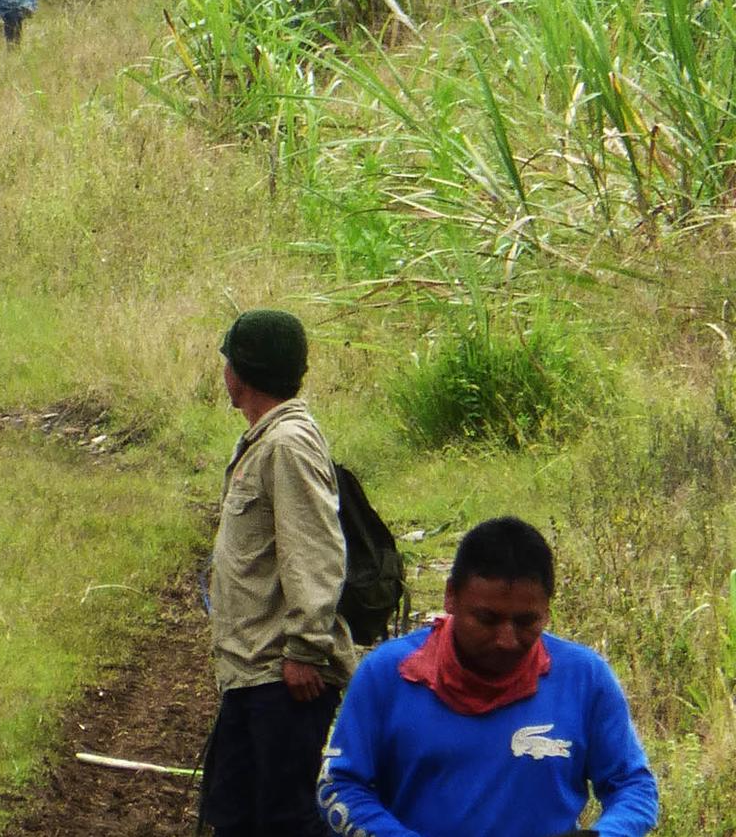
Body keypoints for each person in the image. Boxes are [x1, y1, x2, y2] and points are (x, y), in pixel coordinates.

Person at [317, 517, 660, 837]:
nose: (507, 640)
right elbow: (340, 785)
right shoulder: (388, 675)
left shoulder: (585, 678)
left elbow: (634, 786)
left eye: (526, 622)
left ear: (547, 609)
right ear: (451, 596)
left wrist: (609, 832)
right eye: (486, 619)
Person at [201, 309, 356, 837]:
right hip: (252, 671)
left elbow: (315, 550)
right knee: (236, 816)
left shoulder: (286, 444)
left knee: (284, 822)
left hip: (282, 675)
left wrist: (306, 649)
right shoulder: (267, 440)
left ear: (239, 373)